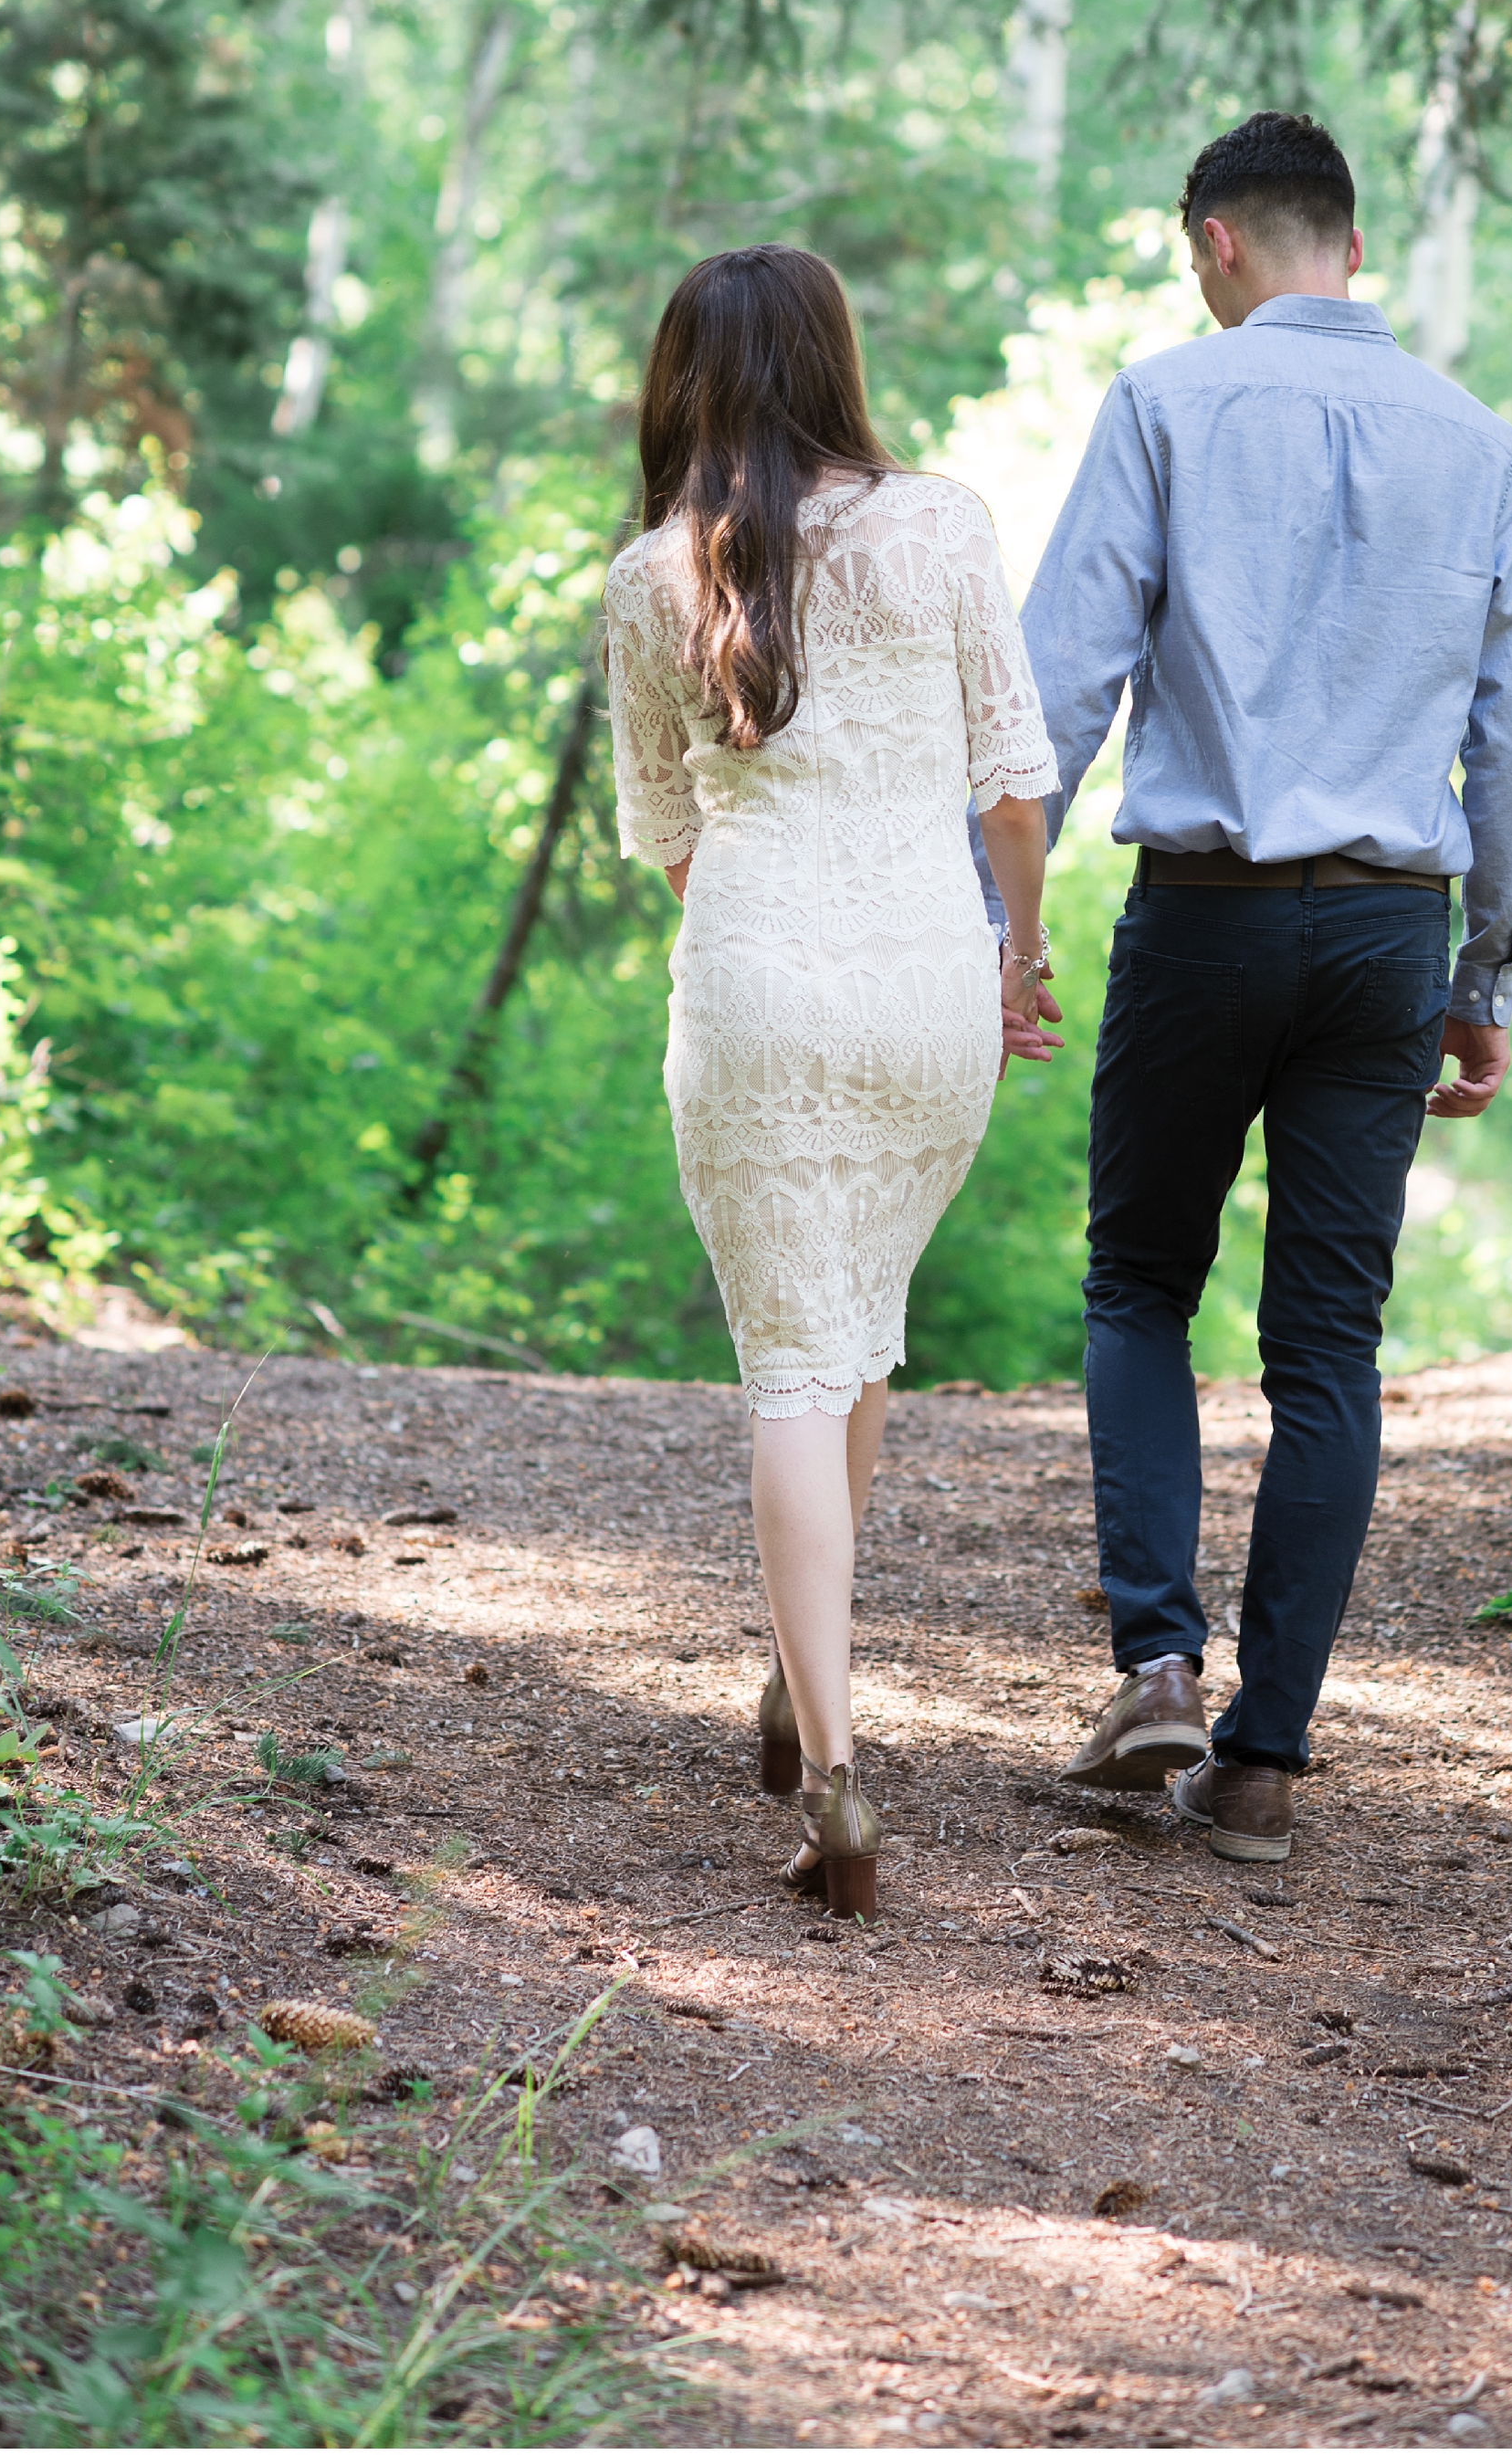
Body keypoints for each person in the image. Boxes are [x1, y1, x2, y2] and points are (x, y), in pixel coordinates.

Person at [994, 112, 1512, 1862]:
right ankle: (1264, 1764)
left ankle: (1158, 1659)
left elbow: (1057, 687)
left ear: (1215, 240)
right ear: (1355, 252)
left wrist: (990, 920)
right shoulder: (1481, 446)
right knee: (1329, 1344)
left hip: (1208, 917)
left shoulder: (1167, 401)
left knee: (1140, 1283)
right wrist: (1490, 967)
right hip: (1390, 936)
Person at [604, 245, 1060, 1917]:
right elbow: (1015, 783)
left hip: (757, 972)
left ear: (688, 380)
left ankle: (836, 1765)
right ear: (833, 359)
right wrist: (1018, 953)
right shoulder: (942, 522)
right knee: (856, 1319)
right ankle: (809, 1692)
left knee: (798, 1355)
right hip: (929, 976)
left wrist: (754, 947)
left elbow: (665, 833)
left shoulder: (652, 574)